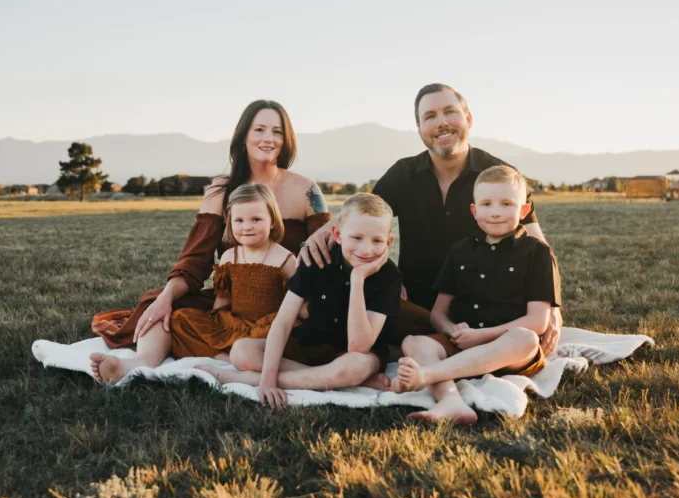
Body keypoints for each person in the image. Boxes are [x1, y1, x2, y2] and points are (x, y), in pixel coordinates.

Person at [300, 83, 562, 354]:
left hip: (486, 307)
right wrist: (320, 236)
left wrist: (552, 306)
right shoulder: (404, 174)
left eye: (450, 112)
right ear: (420, 129)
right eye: (430, 117)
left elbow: (536, 242)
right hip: (415, 303)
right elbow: (360, 213)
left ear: (468, 119)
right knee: (365, 312)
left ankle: (466, 345)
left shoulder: (499, 175)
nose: (442, 123)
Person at [87, 100, 330, 383]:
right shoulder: (220, 189)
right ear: (243, 136)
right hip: (234, 303)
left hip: (287, 302)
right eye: (259, 129)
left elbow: (326, 247)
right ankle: (137, 366)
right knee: (162, 304)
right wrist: (167, 297)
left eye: (276, 131)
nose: (268, 138)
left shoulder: (307, 189)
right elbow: (197, 257)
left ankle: (240, 360)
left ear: (286, 139)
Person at [391, 165, 561, 424]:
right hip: (463, 341)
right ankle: (451, 402)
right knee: (414, 343)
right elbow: (439, 312)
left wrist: (481, 336)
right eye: (487, 204)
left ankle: (427, 376)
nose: (495, 212)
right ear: (474, 210)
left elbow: (537, 322)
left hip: (509, 350)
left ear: (523, 211)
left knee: (525, 338)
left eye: (506, 204)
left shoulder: (536, 252)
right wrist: (452, 331)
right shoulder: (460, 251)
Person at [199, 193, 401, 408]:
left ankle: (247, 379)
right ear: (338, 234)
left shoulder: (389, 276)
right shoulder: (317, 259)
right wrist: (267, 381)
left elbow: (358, 345)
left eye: (377, 241)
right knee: (242, 351)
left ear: (388, 242)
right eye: (357, 238)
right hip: (311, 342)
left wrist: (358, 279)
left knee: (355, 367)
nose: (366, 250)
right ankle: (340, 380)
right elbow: (284, 321)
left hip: (355, 355)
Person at [167, 184, 296, 360]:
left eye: (256, 219)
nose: (247, 227)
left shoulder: (286, 260)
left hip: (268, 329)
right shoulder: (230, 257)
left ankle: (239, 358)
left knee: (286, 338)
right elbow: (222, 300)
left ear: (272, 221)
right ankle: (226, 357)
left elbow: (298, 303)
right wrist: (214, 328)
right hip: (235, 324)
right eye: (239, 220)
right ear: (229, 221)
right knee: (181, 319)